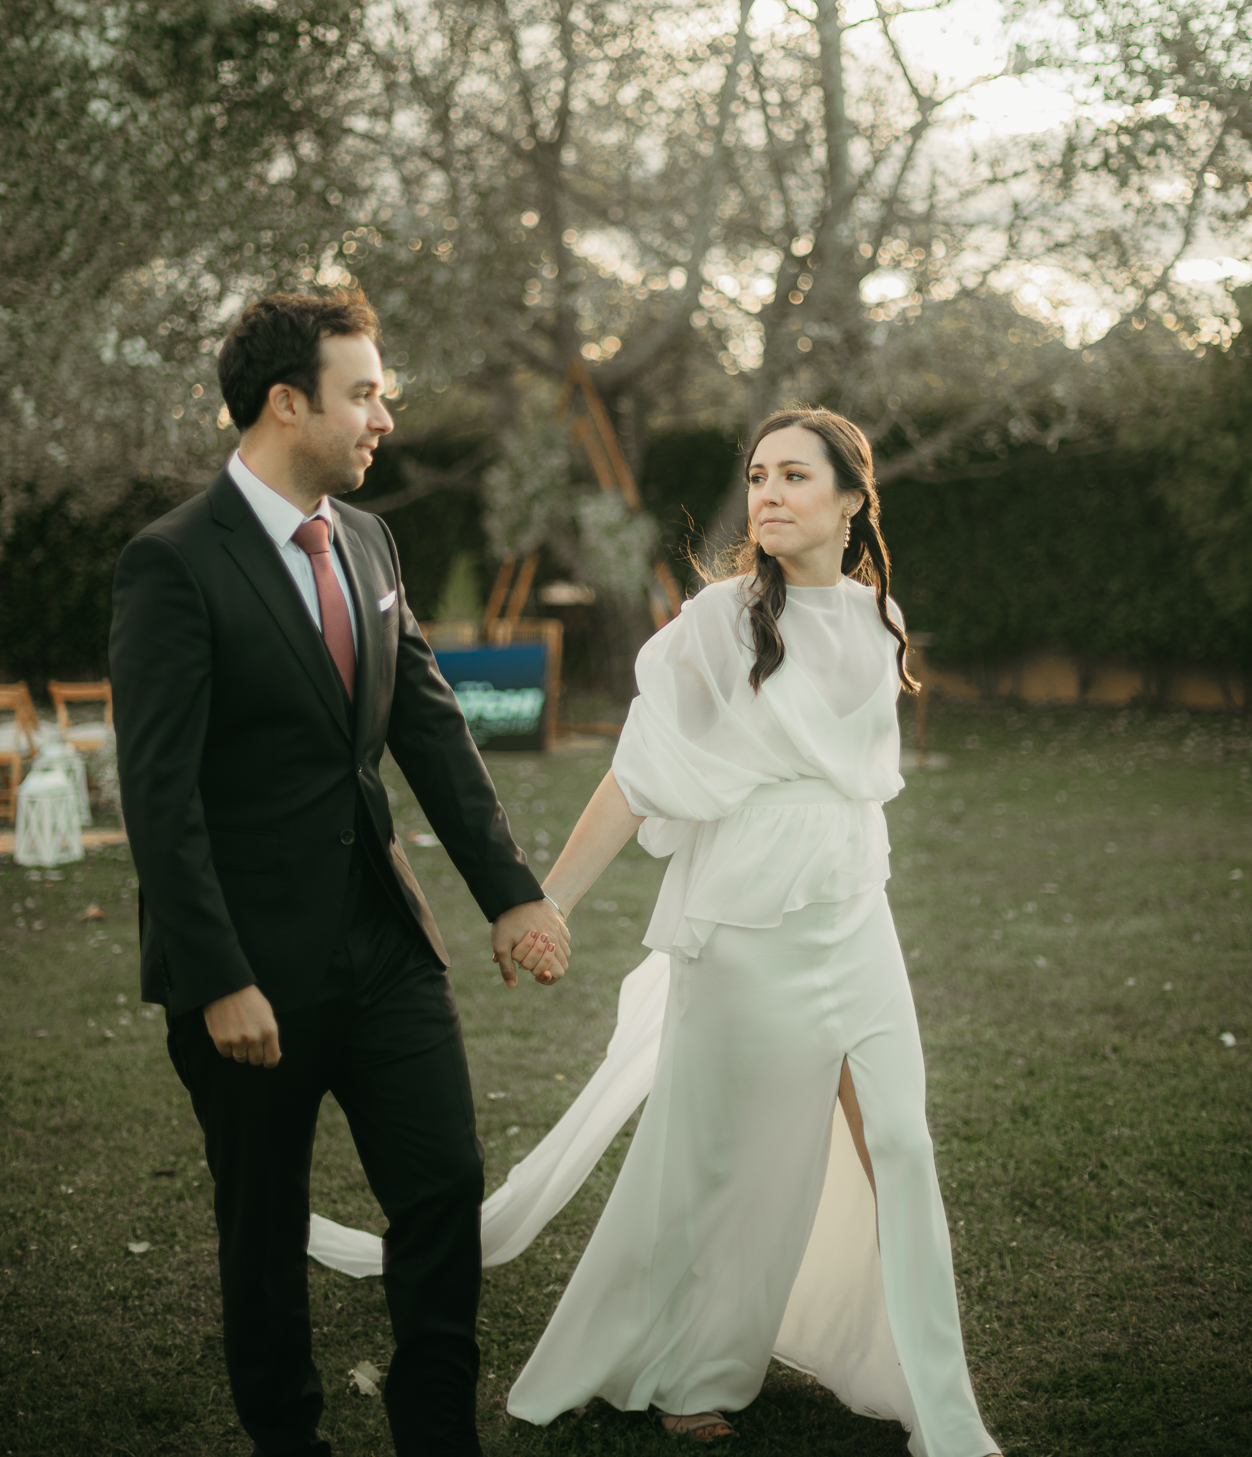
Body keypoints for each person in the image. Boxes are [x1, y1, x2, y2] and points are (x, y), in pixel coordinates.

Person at [108, 289, 568, 1457]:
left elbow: (428, 725)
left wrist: (512, 889)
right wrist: (217, 977)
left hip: (384, 943)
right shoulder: (170, 566)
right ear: (284, 402)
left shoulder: (367, 541)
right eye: (364, 394)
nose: (383, 420)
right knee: (260, 1230)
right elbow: (158, 799)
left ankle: (435, 1438)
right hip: (249, 975)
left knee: (442, 1186)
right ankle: (288, 1442)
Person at [506, 407, 1001, 1454]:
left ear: (852, 499)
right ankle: (693, 1368)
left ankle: (926, 1385)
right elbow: (637, 777)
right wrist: (551, 900)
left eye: (793, 476)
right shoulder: (718, 619)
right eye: (756, 475)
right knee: (732, 1160)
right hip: (742, 926)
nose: (766, 494)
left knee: (900, 1141)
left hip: (852, 914)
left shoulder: (879, 616)